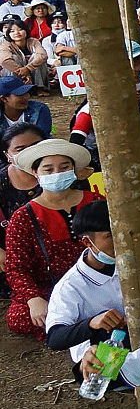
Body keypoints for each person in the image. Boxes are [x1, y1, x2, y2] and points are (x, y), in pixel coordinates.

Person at [6, 139, 101, 338]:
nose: (56, 174)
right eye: (48, 169)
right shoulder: (23, 217)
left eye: (64, 167)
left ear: (74, 169)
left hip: (97, 283)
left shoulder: (96, 202)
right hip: (49, 289)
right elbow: (16, 268)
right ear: (35, 173)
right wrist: (33, 299)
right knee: (20, 316)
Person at [44, 200, 127, 368]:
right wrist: (91, 323)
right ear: (88, 242)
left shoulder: (132, 261)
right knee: (105, 366)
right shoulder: (70, 286)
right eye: (110, 236)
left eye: (122, 231)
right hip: (101, 351)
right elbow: (54, 338)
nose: (121, 240)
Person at [0, 123, 48, 297]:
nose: (30, 154)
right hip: (10, 263)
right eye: (20, 149)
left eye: (36, 146)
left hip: (59, 259)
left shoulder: (64, 177)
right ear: (7, 155)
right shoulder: (1, 182)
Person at [1, 20, 49, 95]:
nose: (16, 33)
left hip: (32, 74)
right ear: (8, 34)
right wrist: (24, 73)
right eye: (12, 31)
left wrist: (28, 69)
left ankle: (39, 88)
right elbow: (4, 60)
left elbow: (43, 55)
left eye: (20, 29)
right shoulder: (6, 44)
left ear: (26, 30)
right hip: (19, 75)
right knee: (13, 58)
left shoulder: (34, 41)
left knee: (37, 57)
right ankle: (14, 90)